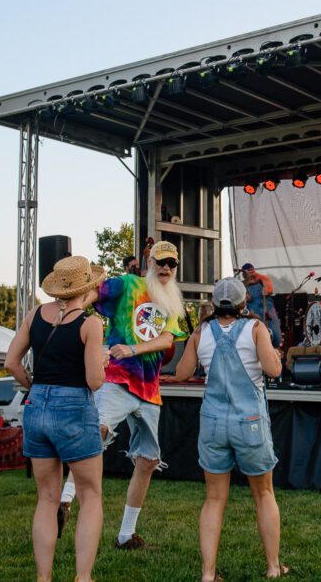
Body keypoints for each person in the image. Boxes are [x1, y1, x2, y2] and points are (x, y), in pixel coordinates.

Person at [59, 240, 187, 549]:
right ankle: (63, 502)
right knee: (97, 432)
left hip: (149, 389)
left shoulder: (169, 302)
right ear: (150, 263)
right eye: (162, 262)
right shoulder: (127, 284)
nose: (167, 268)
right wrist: (74, 314)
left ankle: (126, 535)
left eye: (172, 264)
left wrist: (132, 348)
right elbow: (93, 292)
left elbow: (166, 340)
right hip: (118, 378)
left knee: (148, 460)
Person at [176, 277, 288, 581]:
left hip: (212, 423)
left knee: (213, 499)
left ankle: (208, 573)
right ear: (243, 303)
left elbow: (183, 373)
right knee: (264, 494)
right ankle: (273, 567)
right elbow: (274, 370)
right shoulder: (255, 329)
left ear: (214, 304)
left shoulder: (201, 332)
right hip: (249, 423)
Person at [4, 255, 106, 582]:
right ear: (86, 286)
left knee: (47, 498)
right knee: (90, 495)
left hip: (36, 406)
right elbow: (94, 381)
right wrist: (101, 359)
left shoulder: (35, 315)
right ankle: (83, 577)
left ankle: (43, 577)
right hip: (74, 406)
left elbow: (11, 363)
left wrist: (35, 387)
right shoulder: (90, 324)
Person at [241, 263, 282, 348]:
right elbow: (246, 298)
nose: (252, 273)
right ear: (244, 273)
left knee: (276, 336)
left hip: (267, 309)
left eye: (253, 270)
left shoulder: (262, 279)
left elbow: (269, 290)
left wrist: (265, 289)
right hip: (253, 312)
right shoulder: (242, 284)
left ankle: (274, 350)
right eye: (249, 271)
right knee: (257, 336)